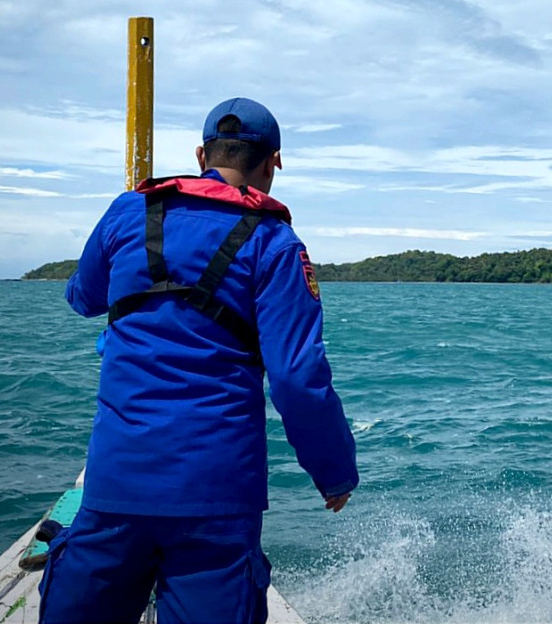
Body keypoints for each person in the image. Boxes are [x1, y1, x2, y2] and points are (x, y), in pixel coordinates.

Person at [39, 97, 358, 624]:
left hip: (116, 480)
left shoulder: (129, 210)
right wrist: (335, 473)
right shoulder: (275, 242)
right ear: (273, 163)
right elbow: (297, 379)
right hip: (217, 496)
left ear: (200, 153)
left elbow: (84, 297)